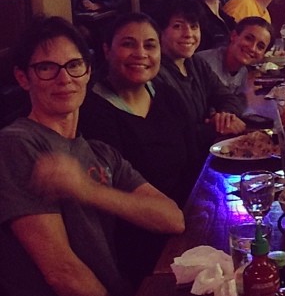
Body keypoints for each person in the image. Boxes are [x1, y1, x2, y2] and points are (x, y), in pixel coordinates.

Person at [0, 15, 183, 296]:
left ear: (87, 71)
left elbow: (172, 218)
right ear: (23, 78)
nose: (64, 78)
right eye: (46, 68)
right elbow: (62, 272)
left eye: (74, 65)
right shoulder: (17, 144)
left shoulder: (100, 153)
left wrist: (87, 190)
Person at [79, 13, 201, 207]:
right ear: (107, 50)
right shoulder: (93, 111)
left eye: (150, 46)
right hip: (139, 218)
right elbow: (112, 191)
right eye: (128, 44)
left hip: (189, 210)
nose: (140, 53)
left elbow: (194, 163)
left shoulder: (168, 95)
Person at [153, 0, 246, 142]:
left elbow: (227, 97)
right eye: (177, 26)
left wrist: (225, 117)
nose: (188, 34)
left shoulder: (196, 63)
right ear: (159, 31)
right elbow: (173, 133)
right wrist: (214, 127)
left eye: (194, 26)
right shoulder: (155, 74)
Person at [196, 16, 274, 99]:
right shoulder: (202, 64)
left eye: (260, 47)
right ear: (233, 36)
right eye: (248, 38)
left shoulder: (243, 73)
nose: (252, 48)